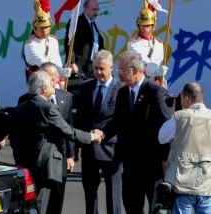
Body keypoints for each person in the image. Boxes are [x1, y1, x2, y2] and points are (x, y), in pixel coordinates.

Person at [9, 70, 104, 214]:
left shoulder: (20, 108)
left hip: (25, 166)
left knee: (28, 205)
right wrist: (91, 137)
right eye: (52, 86)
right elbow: (68, 131)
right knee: (41, 205)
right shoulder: (48, 107)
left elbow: (13, 138)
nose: (54, 89)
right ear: (44, 88)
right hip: (44, 167)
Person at [103, 51, 170, 214]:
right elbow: (117, 122)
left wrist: (164, 158)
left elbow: (165, 127)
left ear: (134, 70)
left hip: (152, 165)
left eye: (122, 70)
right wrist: (101, 133)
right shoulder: (123, 93)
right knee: (132, 207)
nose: (119, 73)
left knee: (156, 208)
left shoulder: (156, 92)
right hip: (130, 165)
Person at [18, 62, 75, 214]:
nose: (50, 81)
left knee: (56, 200)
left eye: (53, 78)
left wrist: (71, 155)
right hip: (37, 161)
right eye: (47, 78)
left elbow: (68, 125)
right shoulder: (25, 100)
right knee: (38, 202)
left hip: (60, 158)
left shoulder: (66, 96)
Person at [75, 50, 123, 214]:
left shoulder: (121, 89)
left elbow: (120, 120)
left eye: (102, 68)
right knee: (89, 193)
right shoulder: (86, 87)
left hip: (111, 149)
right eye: (96, 68)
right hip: (89, 149)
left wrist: (103, 134)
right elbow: (80, 118)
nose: (98, 72)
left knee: (113, 195)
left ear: (111, 67)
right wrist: (76, 148)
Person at [158, 82, 211, 214]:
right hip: (206, 183)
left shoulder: (180, 116)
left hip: (183, 182)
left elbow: (162, 137)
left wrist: (173, 112)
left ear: (186, 99)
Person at [24, 0, 71, 88]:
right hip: (39, 85)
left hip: (55, 84)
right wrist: (60, 71)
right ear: (35, 27)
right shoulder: (30, 44)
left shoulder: (54, 40)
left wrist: (62, 82)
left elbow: (58, 62)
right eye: (41, 27)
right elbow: (44, 64)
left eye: (46, 27)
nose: (44, 30)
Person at [127, 1, 168, 87]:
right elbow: (143, 62)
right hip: (140, 84)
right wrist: (157, 70)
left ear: (153, 25)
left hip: (157, 83)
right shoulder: (133, 43)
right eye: (142, 25)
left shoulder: (159, 44)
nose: (145, 28)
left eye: (148, 25)